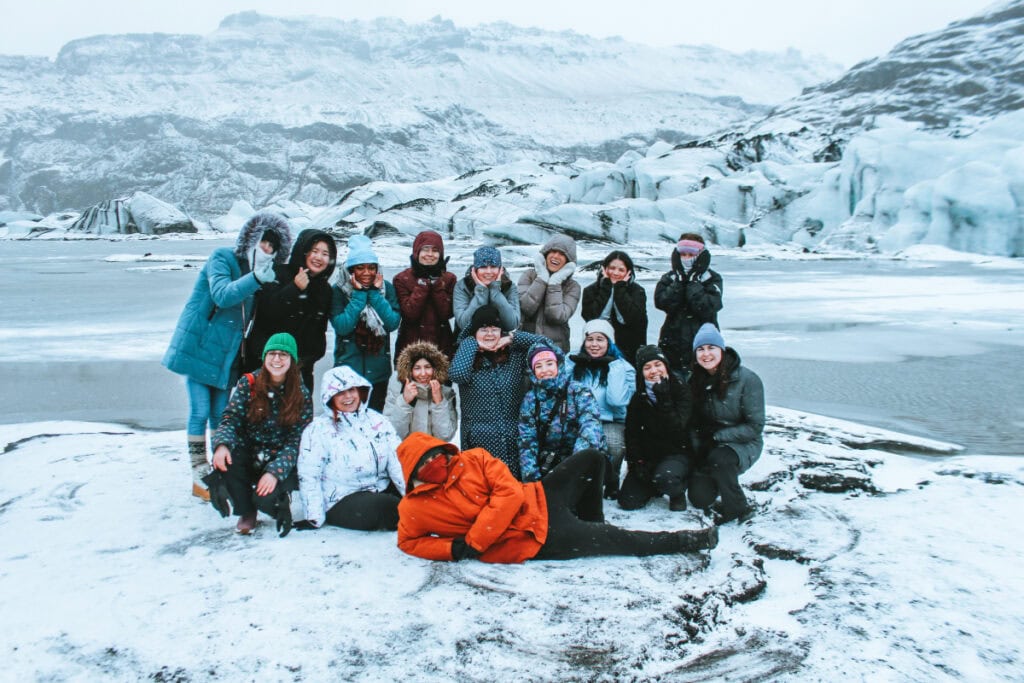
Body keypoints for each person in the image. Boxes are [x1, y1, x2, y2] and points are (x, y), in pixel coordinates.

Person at [395, 432, 718, 563]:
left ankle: (592, 525)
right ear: (413, 474)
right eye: (422, 464)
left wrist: (477, 539)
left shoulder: (474, 458)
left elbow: (508, 492)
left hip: (537, 499)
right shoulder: (415, 507)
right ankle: (684, 541)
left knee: (591, 457)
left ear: (441, 449)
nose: (431, 464)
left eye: (432, 455)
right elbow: (408, 542)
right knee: (617, 539)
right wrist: (452, 548)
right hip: (528, 537)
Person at [163, 211, 292, 501]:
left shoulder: (263, 275)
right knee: (199, 411)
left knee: (221, 416)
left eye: (273, 246)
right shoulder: (222, 258)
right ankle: (199, 471)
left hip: (227, 358)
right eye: (263, 242)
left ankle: (220, 471)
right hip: (200, 348)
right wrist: (256, 278)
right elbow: (222, 295)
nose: (266, 249)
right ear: (251, 238)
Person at [204, 333, 313, 535]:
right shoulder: (249, 383)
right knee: (227, 459)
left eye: (283, 354)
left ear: (292, 360)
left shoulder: (301, 394)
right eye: (272, 353)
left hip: (280, 455)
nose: (277, 359)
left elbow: (298, 440)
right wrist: (222, 445)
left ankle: (277, 498)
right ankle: (246, 511)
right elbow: (231, 418)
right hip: (250, 450)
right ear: (265, 357)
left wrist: (275, 471)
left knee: (266, 499)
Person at [297, 365, 407, 531]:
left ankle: (432, 516)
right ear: (330, 397)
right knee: (387, 507)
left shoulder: (377, 420)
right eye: (340, 393)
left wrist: (411, 494)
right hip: (342, 498)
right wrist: (314, 516)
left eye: (351, 390)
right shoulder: (318, 430)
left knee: (424, 495)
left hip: (378, 487)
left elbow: (397, 461)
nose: (347, 397)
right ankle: (420, 519)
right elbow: (309, 473)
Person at [449, 305, 546, 479]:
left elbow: (548, 347)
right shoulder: (467, 354)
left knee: (515, 490)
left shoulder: (515, 355)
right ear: (474, 332)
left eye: (494, 329)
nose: (489, 334)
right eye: (483, 329)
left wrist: (513, 339)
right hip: (479, 439)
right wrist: (471, 343)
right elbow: (457, 374)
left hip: (514, 436)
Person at [687, 324, 765, 525]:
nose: (706, 354)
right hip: (708, 442)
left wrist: (717, 437)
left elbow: (755, 426)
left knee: (720, 459)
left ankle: (738, 508)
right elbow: (693, 420)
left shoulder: (747, 379)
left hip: (743, 442)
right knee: (699, 498)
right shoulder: (694, 379)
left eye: (711, 348)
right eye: (700, 349)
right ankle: (718, 481)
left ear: (721, 350)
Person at [243, 229, 337, 392]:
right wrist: (294, 289)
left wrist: (304, 361)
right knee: (259, 415)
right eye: (314, 251)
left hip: (300, 372)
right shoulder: (277, 273)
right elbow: (267, 312)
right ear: (303, 251)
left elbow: (317, 335)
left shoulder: (325, 290)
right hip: (265, 366)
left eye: (325, 254)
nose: (319, 258)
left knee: (300, 416)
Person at [564, 319, 636, 498]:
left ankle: (611, 479)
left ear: (609, 342)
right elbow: (561, 390)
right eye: (590, 340)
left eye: (600, 339)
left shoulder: (623, 367)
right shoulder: (574, 362)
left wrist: (614, 368)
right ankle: (583, 482)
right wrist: (570, 364)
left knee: (614, 445)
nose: (594, 344)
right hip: (579, 418)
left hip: (610, 419)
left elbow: (617, 400)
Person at [330, 234, 401, 412]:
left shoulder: (386, 289)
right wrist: (359, 296)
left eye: (371, 267)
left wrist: (375, 295)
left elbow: (392, 323)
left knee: (374, 422)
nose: (367, 273)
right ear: (350, 269)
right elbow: (342, 326)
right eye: (360, 268)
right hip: (347, 371)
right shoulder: (338, 291)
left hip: (378, 372)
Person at [518, 341, 606, 483]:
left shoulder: (578, 391)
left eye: (549, 363)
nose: (545, 370)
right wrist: (531, 480)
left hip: (578, 460)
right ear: (533, 372)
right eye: (538, 366)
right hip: (549, 461)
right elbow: (527, 441)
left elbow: (590, 428)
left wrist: (574, 468)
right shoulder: (530, 399)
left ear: (558, 365)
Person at [619, 345, 693, 512]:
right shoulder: (639, 398)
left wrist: (665, 400)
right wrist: (637, 462)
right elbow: (632, 434)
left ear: (666, 366)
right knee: (628, 501)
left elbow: (677, 431)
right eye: (647, 367)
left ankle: (677, 490)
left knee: (666, 478)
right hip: (649, 457)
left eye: (658, 365)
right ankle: (654, 485)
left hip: (676, 453)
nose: (654, 371)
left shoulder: (681, 390)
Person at [654, 233, 723, 375]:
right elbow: (662, 303)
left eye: (690, 255)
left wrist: (693, 282)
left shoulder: (712, 278)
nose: (686, 259)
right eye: (683, 254)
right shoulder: (670, 277)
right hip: (672, 343)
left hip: (703, 344)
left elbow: (708, 307)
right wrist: (679, 283)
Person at [392, 230, 456, 361]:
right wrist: (423, 283)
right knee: (413, 381)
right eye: (425, 249)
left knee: (439, 381)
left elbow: (446, 313)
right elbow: (410, 314)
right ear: (417, 252)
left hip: (441, 347)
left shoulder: (449, 279)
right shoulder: (402, 279)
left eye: (435, 250)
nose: (430, 254)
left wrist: (437, 284)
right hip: (410, 347)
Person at [581, 250, 648, 368]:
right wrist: (606, 287)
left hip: (629, 349)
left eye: (621, 270)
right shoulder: (590, 290)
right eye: (612, 268)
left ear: (628, 272)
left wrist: (619, 289)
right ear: (605, 269)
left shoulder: (637, 291)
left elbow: (632, 319)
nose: (615, 273)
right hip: (598, 348)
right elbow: (591, 317)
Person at [384, 341, 458, 441]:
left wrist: (439, 403)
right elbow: (393, 434)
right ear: (410, 371)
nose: (423, 374)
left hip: (435, 453)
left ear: (435, 369)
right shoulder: (397, 389)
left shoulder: (445, 393)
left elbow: (445, 436)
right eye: (417, 368)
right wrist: (404, 402)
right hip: (406, 453)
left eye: (427, 367)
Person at [518, 235, 581, 352]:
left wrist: (555, 282)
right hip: (524, 347)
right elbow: (525, 307)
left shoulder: (573, 287)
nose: (556, 256)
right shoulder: (529, 276)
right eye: (553, 251)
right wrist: (542, 278)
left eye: (562, 254)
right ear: (545, 254)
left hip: (554, 350)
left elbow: (556, 316)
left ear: (568, 261)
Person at [452, 245, 519, 336]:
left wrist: (495, 291)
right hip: (468, 341)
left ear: (500, 269)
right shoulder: (463, 286)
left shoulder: (509, 287)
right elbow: (464, 325)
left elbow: (512, 324)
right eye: (483, 267)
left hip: (501, 342)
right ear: (475, 270)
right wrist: (481, 291)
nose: (488, 271)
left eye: (493, 266)